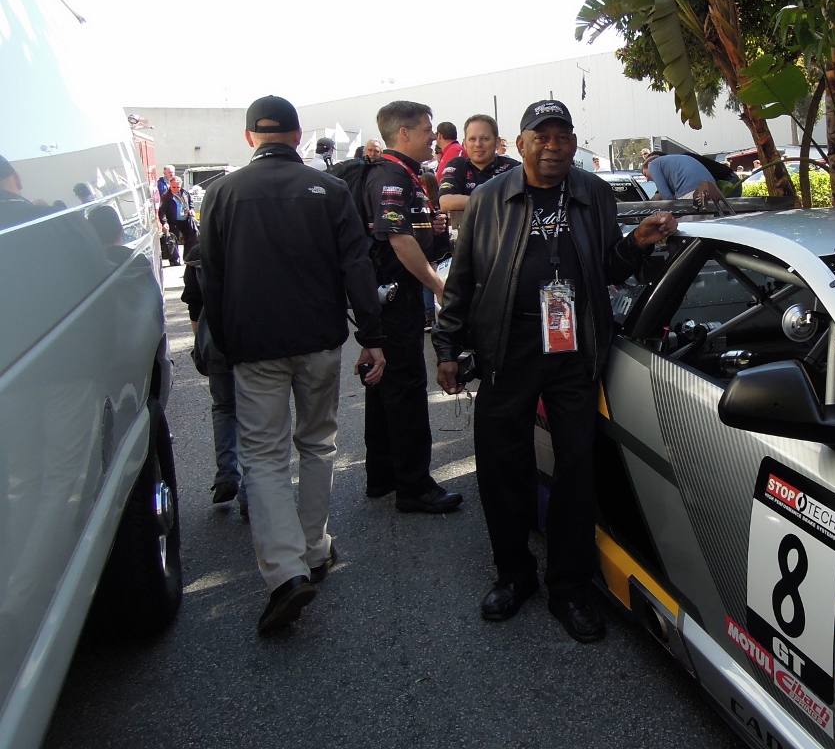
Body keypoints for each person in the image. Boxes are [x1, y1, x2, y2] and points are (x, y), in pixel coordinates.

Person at [434, 99, 676, 642]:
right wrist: (447, 345)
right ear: (518, 145)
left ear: (572, 142)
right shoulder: (488, 200)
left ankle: (568, 585)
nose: (552, 146)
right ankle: (513, 575)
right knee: (503, 465)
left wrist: (636, 244)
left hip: (574, 349)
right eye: (540, 136)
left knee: (576, 467)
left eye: (562, 136)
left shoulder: (592, 193)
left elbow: (606, 268)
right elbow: (464, 280)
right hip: (508, 345)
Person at [200, 95, 387, 635]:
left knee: (262, 455)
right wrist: (370, 337)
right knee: (318, 442)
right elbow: (357, 265)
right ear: (298, 136)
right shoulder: (327, 190)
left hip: (253, 345)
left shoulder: (221, 193)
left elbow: (210, 277)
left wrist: (223, 345)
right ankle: (313, 548)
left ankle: (284, 573)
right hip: (320, 340)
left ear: (249, 138)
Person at [359, 101, 461, 513]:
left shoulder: (403, 175)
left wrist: (429, 225)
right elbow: (397, 240)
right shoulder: (389, 175)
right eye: (426, 131)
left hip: (390, 297)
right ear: (403, 133)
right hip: (395, 299)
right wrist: (438, 287)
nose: (432, 139)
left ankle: (383, 476)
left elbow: (408, 229)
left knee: (385, 389)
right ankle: (415, 487)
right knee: (405, 391)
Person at [180, 236, 248, 517]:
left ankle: (226, 474)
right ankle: (250, 494)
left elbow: (194, 306)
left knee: (223, 408)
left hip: (213, 341)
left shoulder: (198, 253)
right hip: (248, 339)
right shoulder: (245, 243)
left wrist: (201, 344)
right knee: (253, 414)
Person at [437, 113, 520, 213]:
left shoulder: (513, 168)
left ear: (497, 142)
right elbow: (445, 202)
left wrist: (467, 202)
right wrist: (495, 202)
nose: (478, 144)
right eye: (472, 139)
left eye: (485, 139)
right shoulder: (457, 165)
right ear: (465, 143)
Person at [642, 152, 726, 206]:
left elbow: (667, 198)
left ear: (649, 164)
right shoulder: (676, 160)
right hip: (711, 189)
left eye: (645, 174)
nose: (647, 179)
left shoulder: (652, 164)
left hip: (690, 192)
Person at [158, 174, 198, 266]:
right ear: (170, 185)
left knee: (192, 237)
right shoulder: (166, 196)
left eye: (178, 187)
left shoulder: (185, 193)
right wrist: (164, 222)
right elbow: (162, 211)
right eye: (173, 187)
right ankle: (174, 260)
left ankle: (188, 257)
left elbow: (190, 203)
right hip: (173, 221)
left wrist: (191, 209)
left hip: (185, 219)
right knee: (173, 240)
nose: (176, 189)